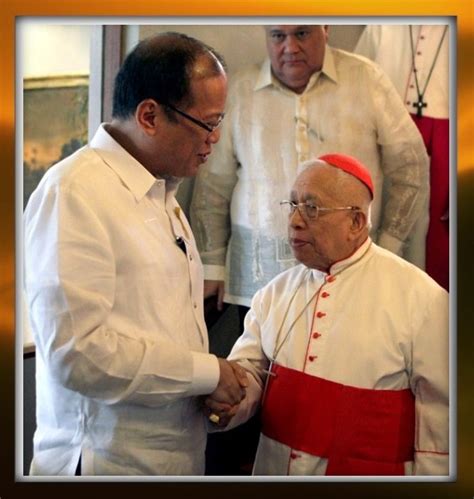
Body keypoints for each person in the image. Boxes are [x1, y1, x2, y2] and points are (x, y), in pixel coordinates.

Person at [23, 32, 249, 476]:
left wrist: (208, 392)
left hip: (169, 458)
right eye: (207, 123)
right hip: (106, 463)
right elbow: (78, 353)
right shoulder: (75, 191)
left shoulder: (160, 191)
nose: (216, 138)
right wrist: (207, 374)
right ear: (149, 115)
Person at [204, 153, 449, 476]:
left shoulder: (423, 300)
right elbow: (250, 373)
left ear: (356, 222)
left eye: (312, 208)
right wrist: (228, 400)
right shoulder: (275, 293)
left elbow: (443, 416)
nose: (294, 220)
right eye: (292, 205)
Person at [190, 24, 429, 315]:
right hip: (259, 279)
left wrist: (388, 247)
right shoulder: (239, 89)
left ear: (325, 29)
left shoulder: (366, 79)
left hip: (350, 273)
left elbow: (411, 167)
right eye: (278, 36)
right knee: (259, 361)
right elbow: (213, 185)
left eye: (302, 34)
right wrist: (212, 264)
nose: (290, 48)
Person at [354, 24, 450, 291]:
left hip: (451, 144)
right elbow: (356, 85)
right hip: (385, 137)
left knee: (438, 250)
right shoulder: (383, 23)